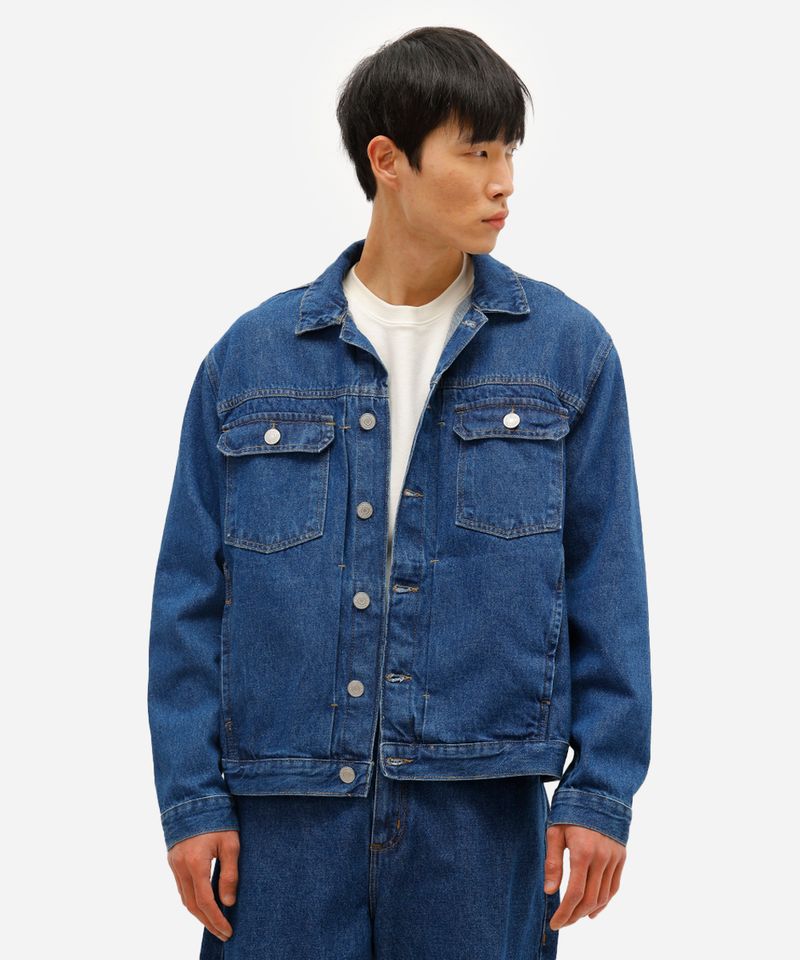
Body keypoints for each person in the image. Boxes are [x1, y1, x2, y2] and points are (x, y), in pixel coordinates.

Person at [147, 25, 652, 960]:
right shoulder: (250, 363)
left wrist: (600, 791)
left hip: (480, 823)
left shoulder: (565, 354)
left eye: (510, 152)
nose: (505, 182)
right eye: (477, 152)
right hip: (283, 823)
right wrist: (191, 799)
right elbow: (189, 597)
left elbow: (607, 582)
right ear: (389, 161)